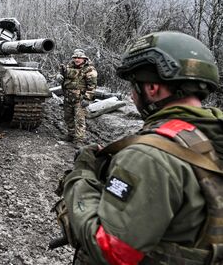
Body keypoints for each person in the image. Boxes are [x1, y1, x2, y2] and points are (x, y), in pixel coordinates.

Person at [62, 31, 223, 264]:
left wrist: (82, 177)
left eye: (134, 85)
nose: (131, 94)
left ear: (151, 88)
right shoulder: (210, 136)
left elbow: (112, 252)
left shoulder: (150, 156)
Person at [56, 49, 98, 145]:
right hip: (68, 97)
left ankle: (79, 140)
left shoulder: (89, 70)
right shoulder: (68, 66)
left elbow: (92, 86)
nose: (77, 59)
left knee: (80, 120)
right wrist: (58, 76)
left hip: (80, 99)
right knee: (68, 117)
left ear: (84, 59)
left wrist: (87, 98)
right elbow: (61, 75)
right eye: (75, 57)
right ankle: (71, 135)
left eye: (79, 58)